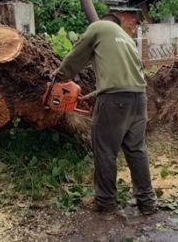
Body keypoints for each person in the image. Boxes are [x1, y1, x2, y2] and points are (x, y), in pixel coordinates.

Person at [55, 13, 156, 216]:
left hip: (114, 101)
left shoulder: (98, 27)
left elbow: (77, 54)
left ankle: (105, 201)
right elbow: (128, 76)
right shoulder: (127, 39)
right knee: (137, 150)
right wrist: (93, 94)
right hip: (138, 98)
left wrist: (58, 77)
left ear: (103, 21)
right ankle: (147, 203)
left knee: (105, 150)